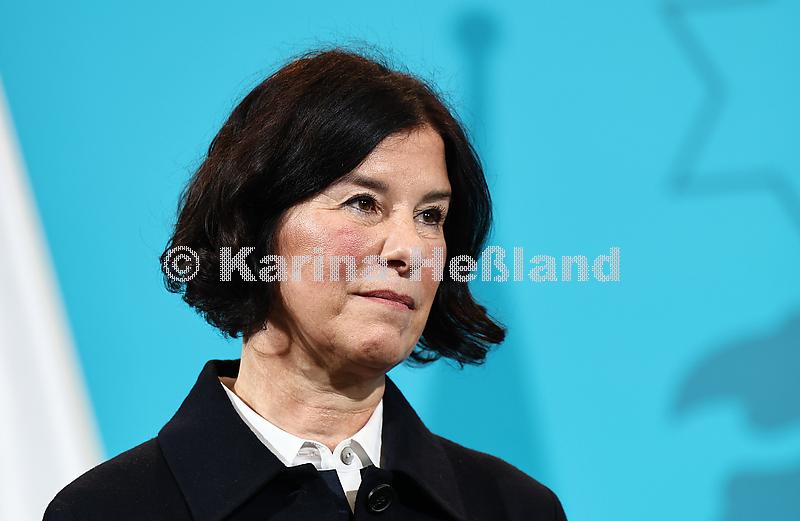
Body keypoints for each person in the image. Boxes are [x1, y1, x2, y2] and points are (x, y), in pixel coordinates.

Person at [43, 47, 568, 521]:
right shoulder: (105, 511)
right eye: (363, 203)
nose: (409, 249)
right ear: (255, 227)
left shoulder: (515, 508)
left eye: (431, 216)